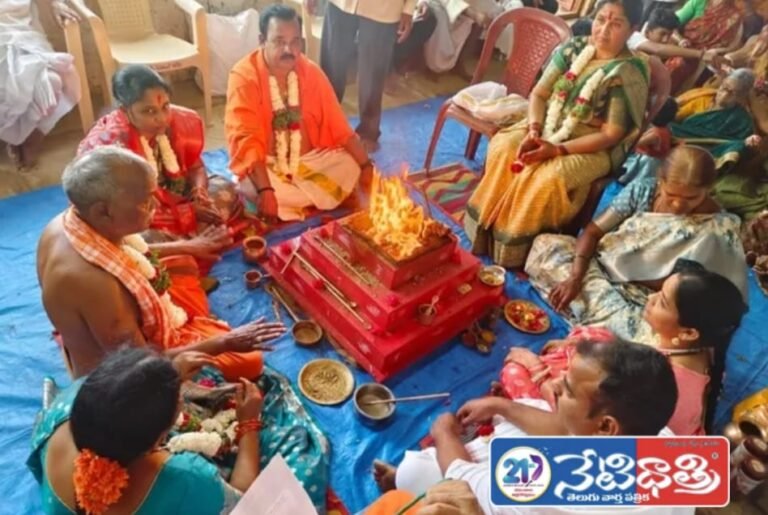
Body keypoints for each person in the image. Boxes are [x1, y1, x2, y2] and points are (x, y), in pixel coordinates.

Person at [36, 147, 285, 380]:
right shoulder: (100, 288)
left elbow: (125, 253)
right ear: (103, 211)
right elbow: (141, 367)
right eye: (145, 202)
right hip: (114, 377)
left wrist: (189, 246)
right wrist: (225, 342)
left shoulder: (66, 222)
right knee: (250, 361)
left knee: (183, 261)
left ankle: (188, 319)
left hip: (119, 331)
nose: (155, 206)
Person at [372, 339, 685, 515]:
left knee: (416, 472)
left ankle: (401, 479)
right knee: (517, 422)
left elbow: (465, 480)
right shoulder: (665, 443)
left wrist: (444, 433)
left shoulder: (559, 486)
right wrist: (502, 406)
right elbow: (564, 429)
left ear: (605, 427)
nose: (555, 385)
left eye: (568, 390)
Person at [28, 347, 330, 513]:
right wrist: (249, 424)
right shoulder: (183, 478)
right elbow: (242, 496)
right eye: (177, 405)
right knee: (295, 466)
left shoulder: (66, 408)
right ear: (159, 439)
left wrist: (169, 371)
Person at [464, 0, 650, 268]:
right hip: (545, 123)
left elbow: (611, 134)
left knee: (548, 178)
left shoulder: (627, 71)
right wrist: (534, 130)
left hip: (591, 144)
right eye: (600, 20)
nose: (603, 30)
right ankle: (483, 231)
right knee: (505, 147)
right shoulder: (574, 48)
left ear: (633, 29)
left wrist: (558, 149)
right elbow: (540, 94)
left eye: (616, 24)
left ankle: (518, 250)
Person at [525, 145, 748, 344]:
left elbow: (715, 302)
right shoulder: (643, 190)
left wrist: (648, 281)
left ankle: (595, 315)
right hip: (599, 268)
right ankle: (597, 321)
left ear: (708, 189)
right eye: (670, 194)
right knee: (546, 244)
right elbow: (592, 233)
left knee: (648, 337)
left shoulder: (719, 230)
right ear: (660, 180)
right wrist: (575, 277)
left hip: (646, 300)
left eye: (691, 198)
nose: (678, 205)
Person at [501, 270, 747, 436]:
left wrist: (536, 369)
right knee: (593, 336)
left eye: (662, 301)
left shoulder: (665, 385)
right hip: (624, 406)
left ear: (689, 332)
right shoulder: (704, 350)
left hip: (599, 431)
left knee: (515, 371)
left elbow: (583, 422)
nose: (650, 298)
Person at [226, 4, 374, 222]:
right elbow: (245, 139)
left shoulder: (310, 72)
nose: (289, 50)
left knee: (349, 166)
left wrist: (365, 166)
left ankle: (296, 201)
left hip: (310, 160)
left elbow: (339, 127)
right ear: (262, 40)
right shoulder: (244, 77)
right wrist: (266, 190)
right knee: (255, 185)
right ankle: (301, 198)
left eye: (295, 41)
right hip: (268, 164)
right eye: (279, 41)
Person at [77, 65, 244, 247]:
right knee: (140, 240)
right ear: (125, 111)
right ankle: (191, 243)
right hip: (137, 214)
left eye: (165, 106)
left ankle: (191, 242)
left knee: (227, 188)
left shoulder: (177, 121)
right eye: (149, 111)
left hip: (176, 198)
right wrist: (187, 213)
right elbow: (124, 211)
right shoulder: (114, 147)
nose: (162, 118)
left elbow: (196, 167)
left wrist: (199, 192)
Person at [306, 0, 415, 151]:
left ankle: (368, 132)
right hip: (339, 4)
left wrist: (409, 8)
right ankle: (323, 121)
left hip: (384, 7)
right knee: (331, 64)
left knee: (373, 74)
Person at [1, 0, 81, 168]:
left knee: (55, 80)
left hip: (26, 38)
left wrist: (56, 3)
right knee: (11, 89)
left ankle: (34, 133)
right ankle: (14, 135)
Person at [666, 0, 743, 93]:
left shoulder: (735, 16)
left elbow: (732, 45)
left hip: (709, 57)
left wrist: (716, 51)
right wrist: (681, 40)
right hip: (685, 49)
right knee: (679, 64)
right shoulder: (698, 2)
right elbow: (670, 25)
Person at [627, 7, 723, 67]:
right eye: (662, 34)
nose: (665, 39)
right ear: (648, 31)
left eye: (669, 35)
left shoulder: (656, 56)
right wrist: (701, 54)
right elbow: (658, 49)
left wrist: (681, 42)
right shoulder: (634, 38)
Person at [617, 96, 678, 184]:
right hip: (653, 162)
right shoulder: (666, 129)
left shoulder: (655, 135)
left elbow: (633, 144)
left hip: (645, 164)